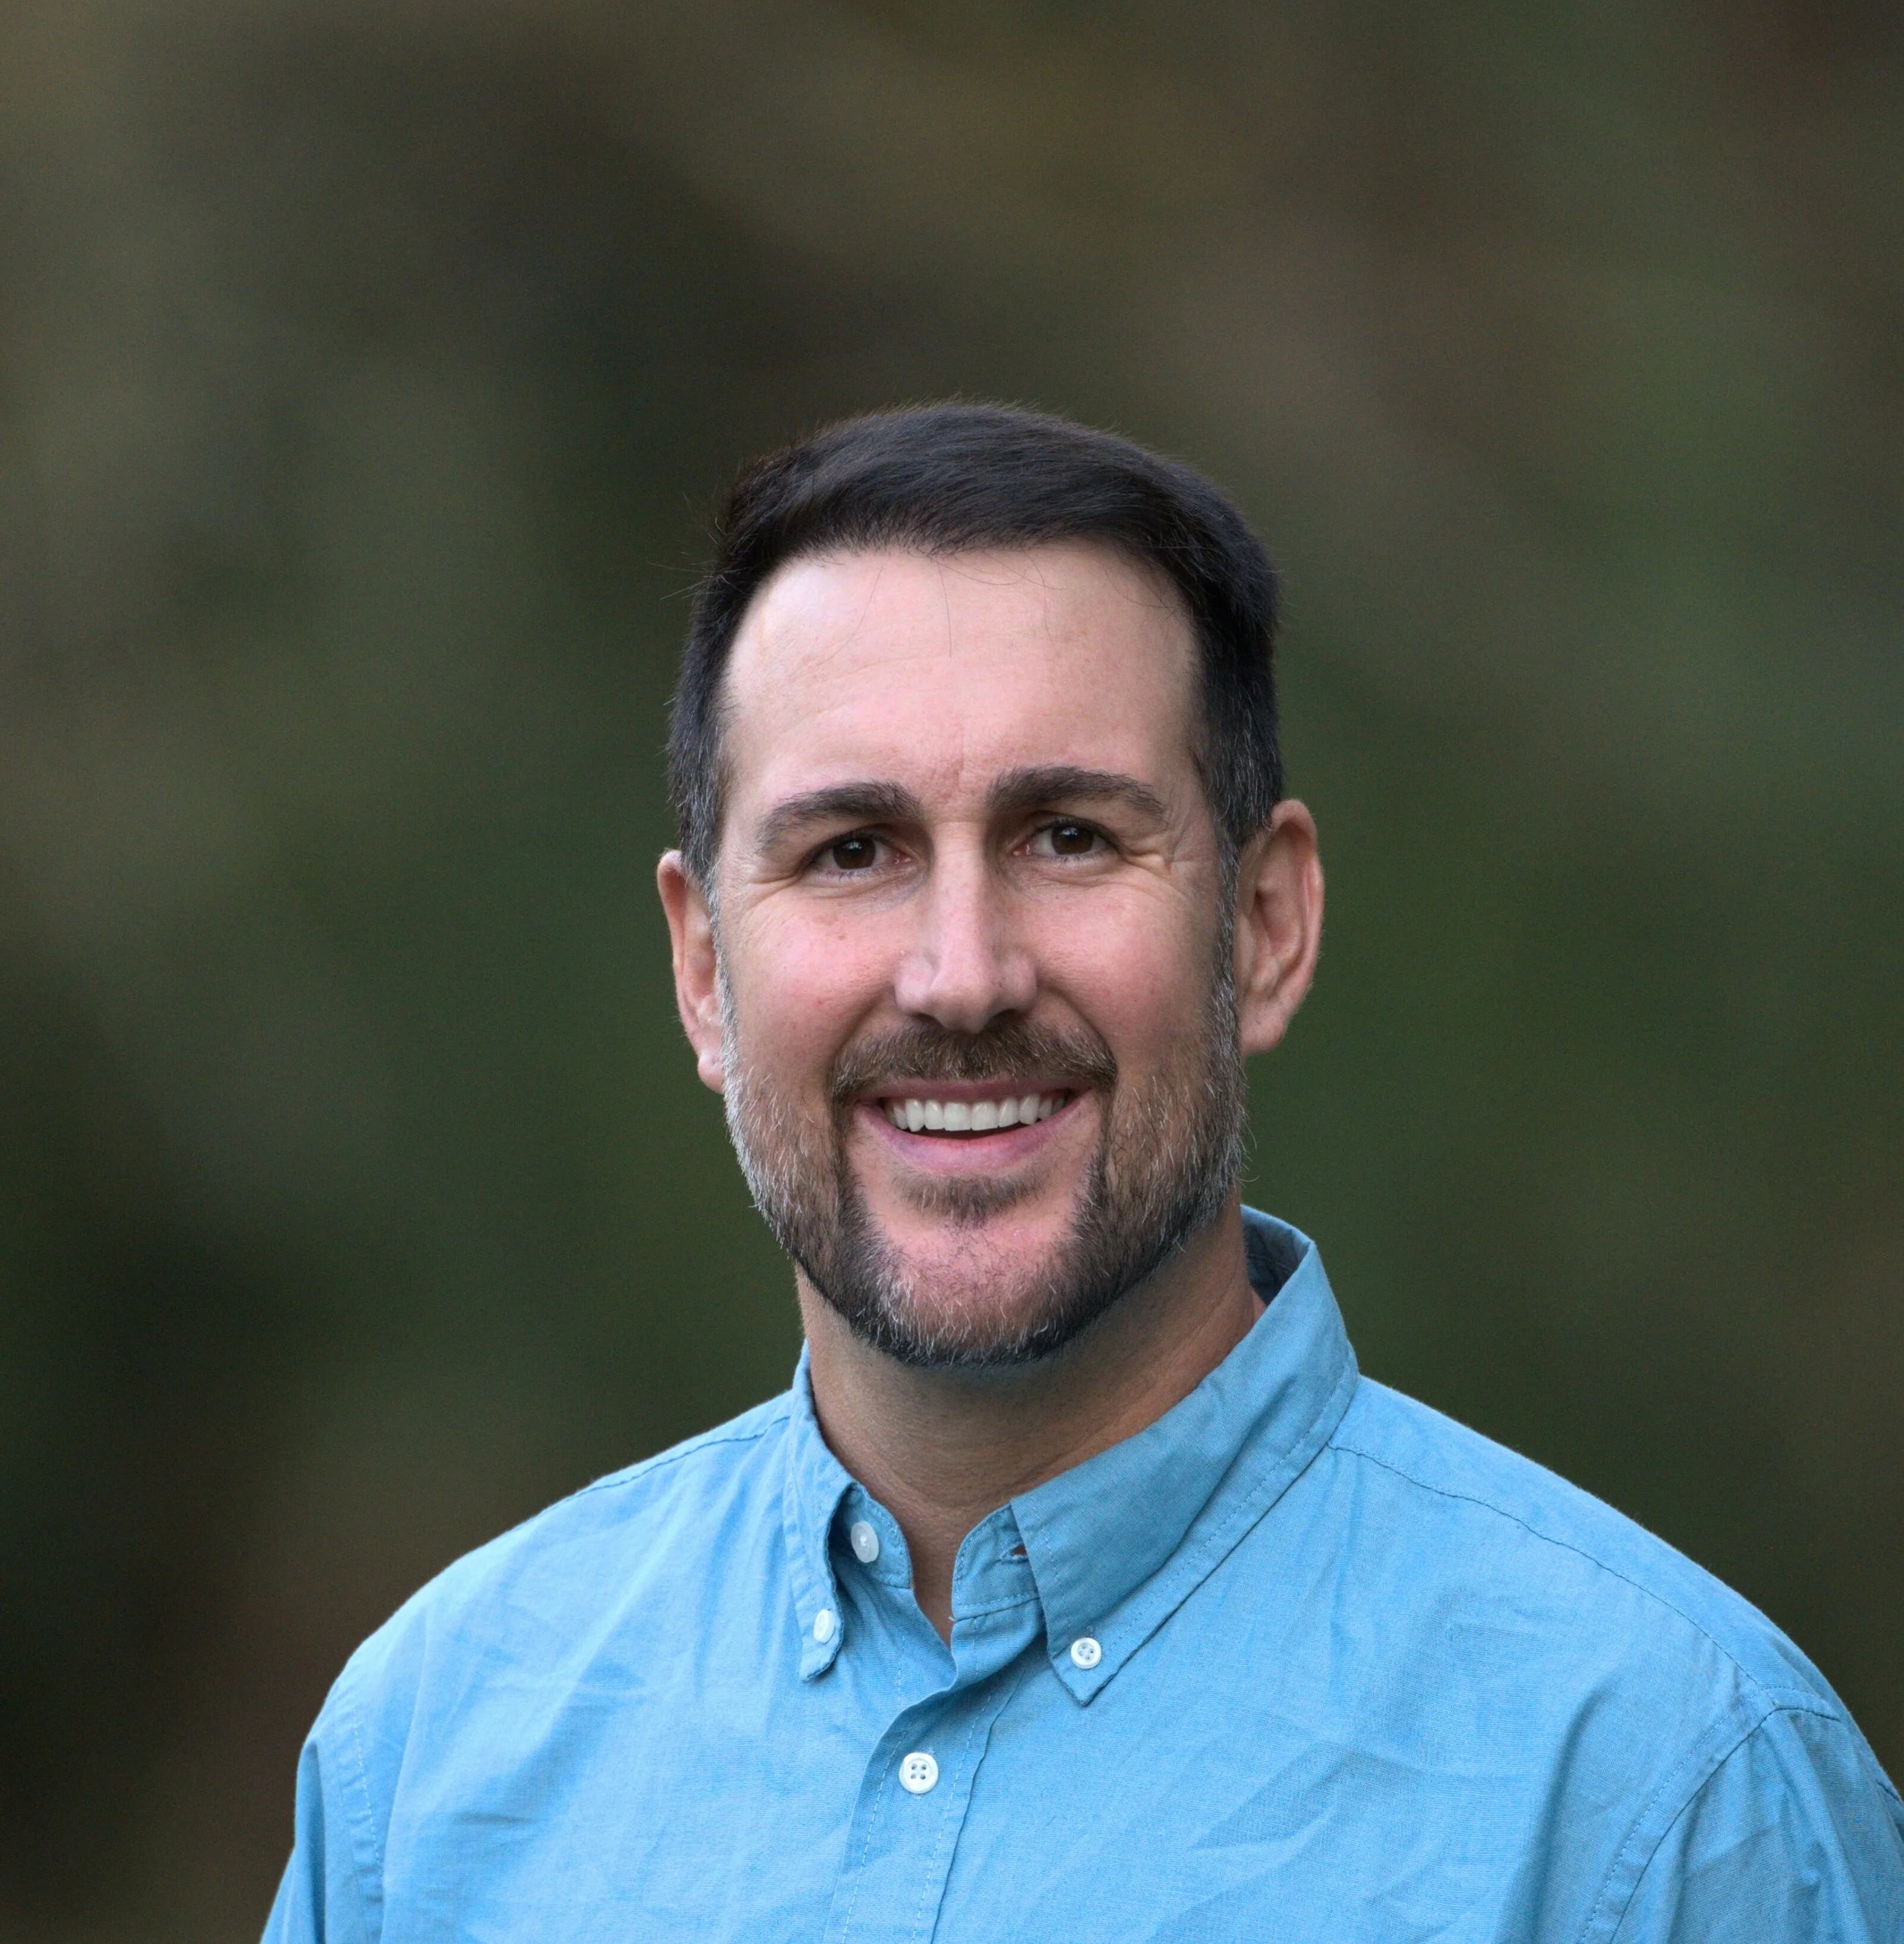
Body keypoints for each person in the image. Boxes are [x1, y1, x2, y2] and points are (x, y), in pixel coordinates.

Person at [263, 403, 1903, 1942]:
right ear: (703, 969)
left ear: (1263, 922)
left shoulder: (1666, 1785)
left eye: (1067, 836)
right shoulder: (431, 1766)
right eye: (851, 850)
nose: (958, 974)